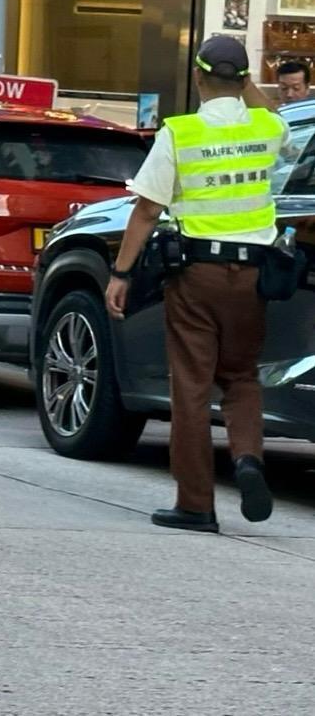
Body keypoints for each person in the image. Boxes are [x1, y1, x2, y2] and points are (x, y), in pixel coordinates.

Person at [105, 35, 290, 534]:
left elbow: (146, 210)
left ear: (197, 76)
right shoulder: (266, 127)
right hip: (254, 275)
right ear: (243, 79)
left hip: (197, 276)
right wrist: (244, 81)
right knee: (242, 376)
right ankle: (248, 457)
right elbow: (275, 118)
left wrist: (120, 274)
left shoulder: (180, 133)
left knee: (190, 385)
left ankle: (196, 504)